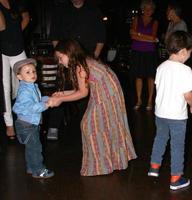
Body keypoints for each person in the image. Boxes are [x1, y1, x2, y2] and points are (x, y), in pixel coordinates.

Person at [50, 39, 137, 176]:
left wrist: (60, 99)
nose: (60, 62)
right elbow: (81, 88)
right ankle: (111, 162)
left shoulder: (80, 67)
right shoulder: (82, 62)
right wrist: (62, 93)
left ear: (69, 53)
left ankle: (101, 165)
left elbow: (82, 93)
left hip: (107, 94)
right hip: (107, 90)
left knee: (91, 125)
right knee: (99, 125)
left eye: (60, 58)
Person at [147, 31, 192, 190]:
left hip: (161, 113)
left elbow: (164, 88)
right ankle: (176, 178)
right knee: (177, 145)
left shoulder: (161, 67)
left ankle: (154, 168)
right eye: (189, 53)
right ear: (183, 51)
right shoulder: (185, 70)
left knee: (160, 139)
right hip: (177, 116)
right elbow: (188, 95)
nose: (189, 57)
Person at [47, 0, 106, 139]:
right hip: (67, 58)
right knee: (60, 88)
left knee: (86, 96)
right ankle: (54, 126)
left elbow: (101, 36)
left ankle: (89, 127)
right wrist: (60, 57)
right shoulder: (61, 10)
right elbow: (54, 36)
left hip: (86, 59)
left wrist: (94, 57)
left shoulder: (94, 10)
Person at [12, 58, 54, 179]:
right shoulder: (25, 90)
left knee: (31, 148)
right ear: (19, 77)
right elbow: (30, 107)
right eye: (28, 72)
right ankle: (39, 170)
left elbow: (36, 101)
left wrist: (47, 99)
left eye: (34, 71)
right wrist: (45, 105)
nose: (33, 74)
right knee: (36, 148)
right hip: (27, 125)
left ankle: (31, 167)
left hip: (28, 123)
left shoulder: (31, 86)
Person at [0, 0, 30, 139]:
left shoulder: (16, 2)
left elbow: (26, 17)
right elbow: (1, 26)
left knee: (26, 84)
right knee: (5, 88)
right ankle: (9, 125)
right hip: (2, 50)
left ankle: (25, 120)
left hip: (18, 48)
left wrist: (16, 33)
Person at [130, 0, 159, 111]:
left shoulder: (155, 22)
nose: (148, 11)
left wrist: (139, 34)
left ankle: (150, 100)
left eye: (150, 9)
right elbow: (132, 36)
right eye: (146, 8)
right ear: (142, 9)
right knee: (138, 76)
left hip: (150, 52)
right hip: (137, 51)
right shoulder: (136, 19)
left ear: (153, 11)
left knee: (151, 76)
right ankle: (139, 100)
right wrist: (148, 38)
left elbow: (153, 38)